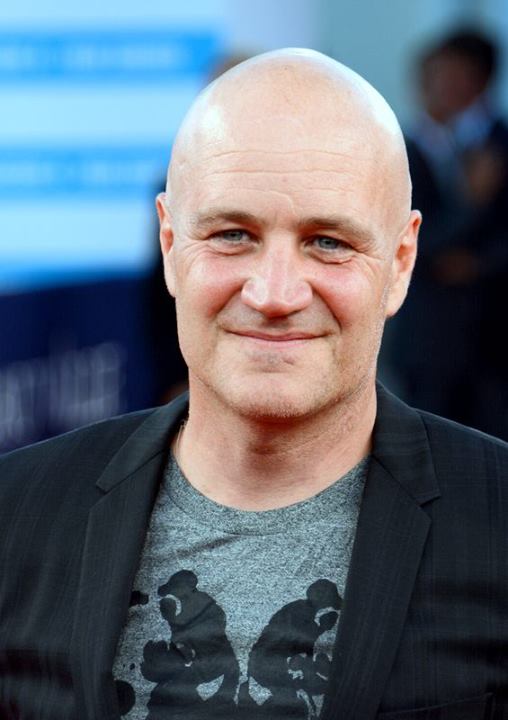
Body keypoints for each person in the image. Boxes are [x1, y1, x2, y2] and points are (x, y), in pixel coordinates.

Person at [0, 48, 507, 720]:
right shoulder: (16, 517)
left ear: (401, 262)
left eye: (328, 242)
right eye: (233, 234)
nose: (274, 294)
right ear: (170, 245)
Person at [390, 29, 508, 438]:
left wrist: (480, 264)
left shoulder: (495, 144)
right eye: (437, 75)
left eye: (458, 76)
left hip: (493, 336)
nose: (444, 86)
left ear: (482, 81)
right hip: (429, 340)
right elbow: (411, 239)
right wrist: (469, 202)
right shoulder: (400, 149)